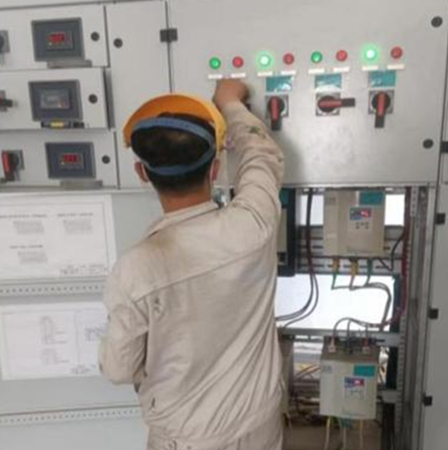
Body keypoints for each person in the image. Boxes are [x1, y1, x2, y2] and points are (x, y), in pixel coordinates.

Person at [100, 80, 285, 450]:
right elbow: (262, 155)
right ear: (214, 170)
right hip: (259, 427)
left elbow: (118, 369)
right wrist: (230, 102)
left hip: (186, 440)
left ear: (142, 173)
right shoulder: (253, 224)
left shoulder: (135, 269)